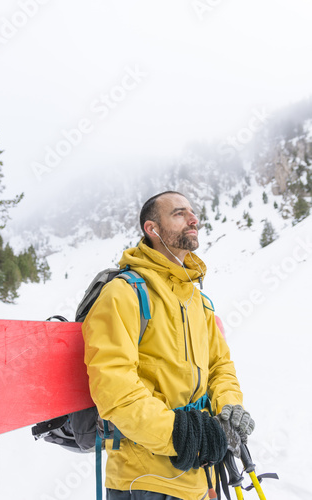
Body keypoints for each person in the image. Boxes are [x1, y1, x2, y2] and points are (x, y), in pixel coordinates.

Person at [83, 191, 255, 500]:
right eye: (179, 213)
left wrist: (229, 408)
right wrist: (182, 435)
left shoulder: (198, 302)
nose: (193, 219)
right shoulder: (123, 294)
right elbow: (114, 390)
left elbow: (220, 367)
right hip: (144, 481)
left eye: (192, 213)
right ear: (153, 229)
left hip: (200, 475)